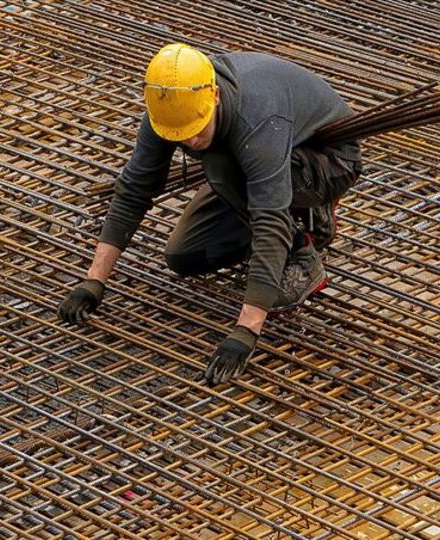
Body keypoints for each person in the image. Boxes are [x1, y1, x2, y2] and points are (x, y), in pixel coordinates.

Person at [57, 44, 362, 385]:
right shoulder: (168, 108)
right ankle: (294, 212)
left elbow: (269, 219)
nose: (190, 140)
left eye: (197, 129)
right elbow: (134, 189)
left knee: (222, 165)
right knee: (185, 256)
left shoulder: (257, 118)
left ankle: (301, 247)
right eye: (181, 136)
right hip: (254, 163)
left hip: (327, 161)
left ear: (214, 96)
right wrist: (93, 281)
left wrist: (246, 331)